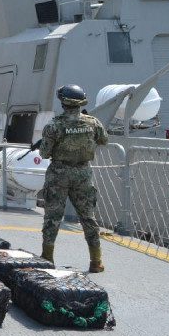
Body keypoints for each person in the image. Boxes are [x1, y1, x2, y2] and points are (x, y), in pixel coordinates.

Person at [39, 84, 108, 273]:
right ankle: (96, 261)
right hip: (83, 174)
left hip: (59, 174)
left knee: (53, 217)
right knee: (88, 217)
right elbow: (104, 140)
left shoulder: (54, 125)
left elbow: (44, 153)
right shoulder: (93, 123)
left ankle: (47, 258)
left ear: (63, 102)